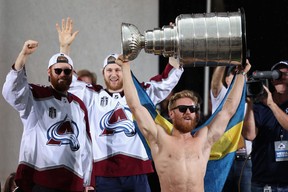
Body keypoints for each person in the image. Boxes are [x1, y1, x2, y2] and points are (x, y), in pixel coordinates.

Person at [56, 18, 184, 191]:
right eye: (109, 70)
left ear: (125, 71)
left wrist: (174, 43)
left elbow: (167, 80)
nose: (114, 74)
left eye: (118, 69)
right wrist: (64, 48)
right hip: (104, 173)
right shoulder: (92, 95)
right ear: (103, 73)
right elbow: (68, 80)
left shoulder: (141, 94)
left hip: (137, 171)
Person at [118, 55, 251, 191]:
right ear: (171, 113)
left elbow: (228, 111)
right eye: (182, 109)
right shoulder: (159, 138)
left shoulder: (203, 139)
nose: (188, 112)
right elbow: (135, 106)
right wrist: (125, 67)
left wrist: (240, 74)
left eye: (192, 109)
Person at [2, 40, 93, 192]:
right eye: (58, 71)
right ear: (49, 72)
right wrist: (23, 56)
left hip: (73, 183)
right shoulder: (35, 96)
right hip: (41, 180)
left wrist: (88, 182)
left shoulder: (79, 105)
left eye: (67, 71)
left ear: (72, 74)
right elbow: (12, 92)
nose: (62, 74)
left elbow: (86, 146)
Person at [242, 60, 288, 192]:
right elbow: (249, 135)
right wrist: (250, 104)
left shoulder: (269, 104)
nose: (281, 78)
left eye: (285, 75)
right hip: (263, 183)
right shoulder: (260, 106)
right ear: (272, 81)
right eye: (277, 75)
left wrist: (272, 105)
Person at [210, 64, 252, 192]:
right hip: (223, 160)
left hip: (244, 161)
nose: (238, 77)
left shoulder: (250, 102)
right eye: (234, 74)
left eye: (241, 75)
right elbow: (216, 84)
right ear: (227, 79)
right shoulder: (221, 98)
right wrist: (224, 60)